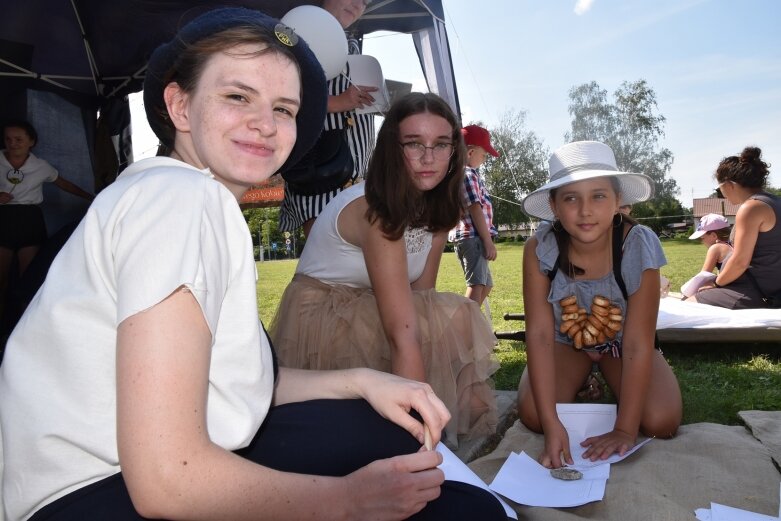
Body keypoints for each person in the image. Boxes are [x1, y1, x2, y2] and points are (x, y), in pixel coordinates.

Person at [0, 9, 507, 520]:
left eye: (284, 109)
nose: (265, 124)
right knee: (462, 509)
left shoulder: (178, 194)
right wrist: (348, 502)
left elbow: (238, 379)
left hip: (111, 475)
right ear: (178, 105)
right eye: (237, 96)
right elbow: (166, 480)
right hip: (87, 496)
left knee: (390, 437)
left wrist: (362, 380)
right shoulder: (178, 198)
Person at [269, 93, 499, 448]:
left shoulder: (439, 205)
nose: (428, 158)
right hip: (325, 317)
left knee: (456, 315)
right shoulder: (374, 208)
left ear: (455, 151)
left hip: (375, 307)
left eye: (441, 144)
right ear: (392, 149)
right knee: (411, 335)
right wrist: (419, 436)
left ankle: (457, 425)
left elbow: (423, 299)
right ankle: (409, 434)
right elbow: (402, 332)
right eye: (413, 144)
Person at [516, 140, 682, 469]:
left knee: (661, 421)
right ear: (554, 205)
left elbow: (638, 342)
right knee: (534, 415)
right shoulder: (539, 248)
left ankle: (606, 376)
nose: (585, 210)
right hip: (566, 343)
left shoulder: (639, 245)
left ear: (618, 200)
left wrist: (624, 429)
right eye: (571, 198)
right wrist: (552, 425)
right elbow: (538, 335)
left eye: (598, 195)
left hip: (623, 345)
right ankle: (581, 378)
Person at [278, 0, 378, 237]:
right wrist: (341, 102)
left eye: (366, 2)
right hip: (321, 174)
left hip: (358, 175)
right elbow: (281, 97)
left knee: (355, 266)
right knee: (326, 264)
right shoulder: (297, 32)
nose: (358, 5)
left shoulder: (351, 46)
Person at [0, 120, 94, 322]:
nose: (13, 143)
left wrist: (92, 197)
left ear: (31, 142)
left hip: (29, 220)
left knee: (29, 280)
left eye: (18, 139)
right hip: (3, 219)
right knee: (1, 278)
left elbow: (64, 184)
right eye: (8, 139)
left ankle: (24, 327)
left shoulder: (40, 166)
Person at [688, 147, 781, 309]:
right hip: (771, 289)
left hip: (751, 292)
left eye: (719, 189)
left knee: (686, 307)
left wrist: (716, 283)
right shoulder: (774, 202)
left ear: (730, 184)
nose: (721, 194)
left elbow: (740, 262)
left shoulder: (751, 208)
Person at [448, 124, 499, 309]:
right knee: (477, 285)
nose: (485, 159)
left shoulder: (464, 175)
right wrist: (488, 241)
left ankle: (469, 321)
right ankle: (465, 327)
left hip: (471, 238)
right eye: (484, 154)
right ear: (470, 153)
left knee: (487, 284)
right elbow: (475, 208)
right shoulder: (468, 174)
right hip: (473, 237)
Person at [680, 213, 733, 298]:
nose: (702, 242)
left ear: (714, 235)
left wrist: (685, 295)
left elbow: (702, 277)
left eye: (703, 238)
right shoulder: (730, 246)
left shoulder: (716, 248)